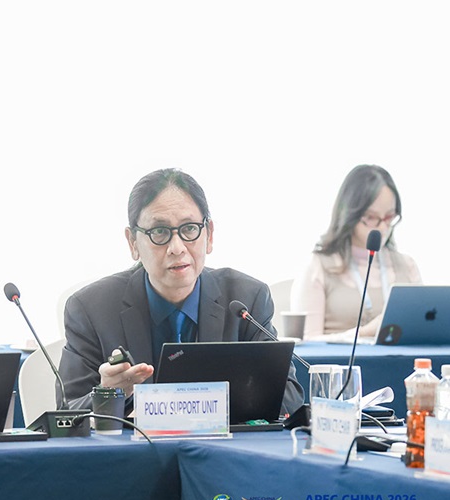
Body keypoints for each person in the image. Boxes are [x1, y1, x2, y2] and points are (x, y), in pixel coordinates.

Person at [57, 168, 304, 416]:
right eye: (159, 232)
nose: (177, 248)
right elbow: (66, 412)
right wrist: (107, 394)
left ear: (209, 235)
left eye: (189, 229)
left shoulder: (246, 299)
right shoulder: (90, 309)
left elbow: (289, 395)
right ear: (133, 243)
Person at [291, 164, 422, 341]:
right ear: (349, 215)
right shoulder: (318, 266)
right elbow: (305, 343)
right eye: (371, 217)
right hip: (342, 359)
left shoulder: (407, 265)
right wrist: (364, 332)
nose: (383, 227)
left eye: (389, 217)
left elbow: (422, 328)